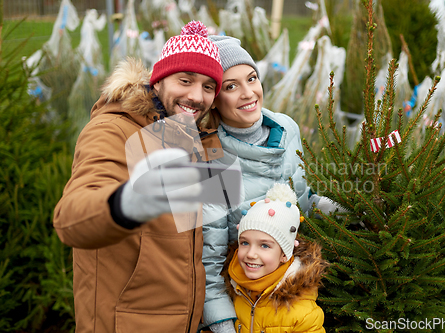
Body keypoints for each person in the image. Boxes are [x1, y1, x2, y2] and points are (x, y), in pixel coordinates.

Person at [53, 21, 224, 333]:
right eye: (185, 80)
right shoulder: (113, 130)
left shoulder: (198, 137)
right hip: (123, 324)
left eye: (208, 86)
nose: (197, 96)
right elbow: (70, 218)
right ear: (157, 82)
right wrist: (126, 204)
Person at [200, 36, 342, 333]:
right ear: (214, 98)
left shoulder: (287, 128)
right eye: (231, 86)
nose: (248, 92)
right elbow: (209, 262)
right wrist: (223, 326)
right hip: (246, 301)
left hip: (295, 288)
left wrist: (344, 210)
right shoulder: (212, 156)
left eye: (251, 78)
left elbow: (302, 199)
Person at [225, 183, 328, 332]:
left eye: (265, 246)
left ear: (284, 255)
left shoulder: (302, 313)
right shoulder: (234, 288)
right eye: (245, 243)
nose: (250, 254)